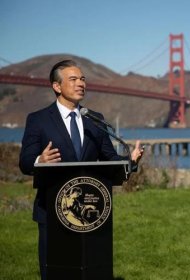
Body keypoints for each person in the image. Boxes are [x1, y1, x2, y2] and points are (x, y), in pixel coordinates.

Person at [19, 59, 143, 280]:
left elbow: (110, 159)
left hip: (91, 214)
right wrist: (40, 160)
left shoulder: (95, 120)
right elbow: (25, 162)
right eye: (73, 79)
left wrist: (130, 161)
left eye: (83, 79)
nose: (80, 84)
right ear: (57, 86)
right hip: (52, 211)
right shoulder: (38, 120)